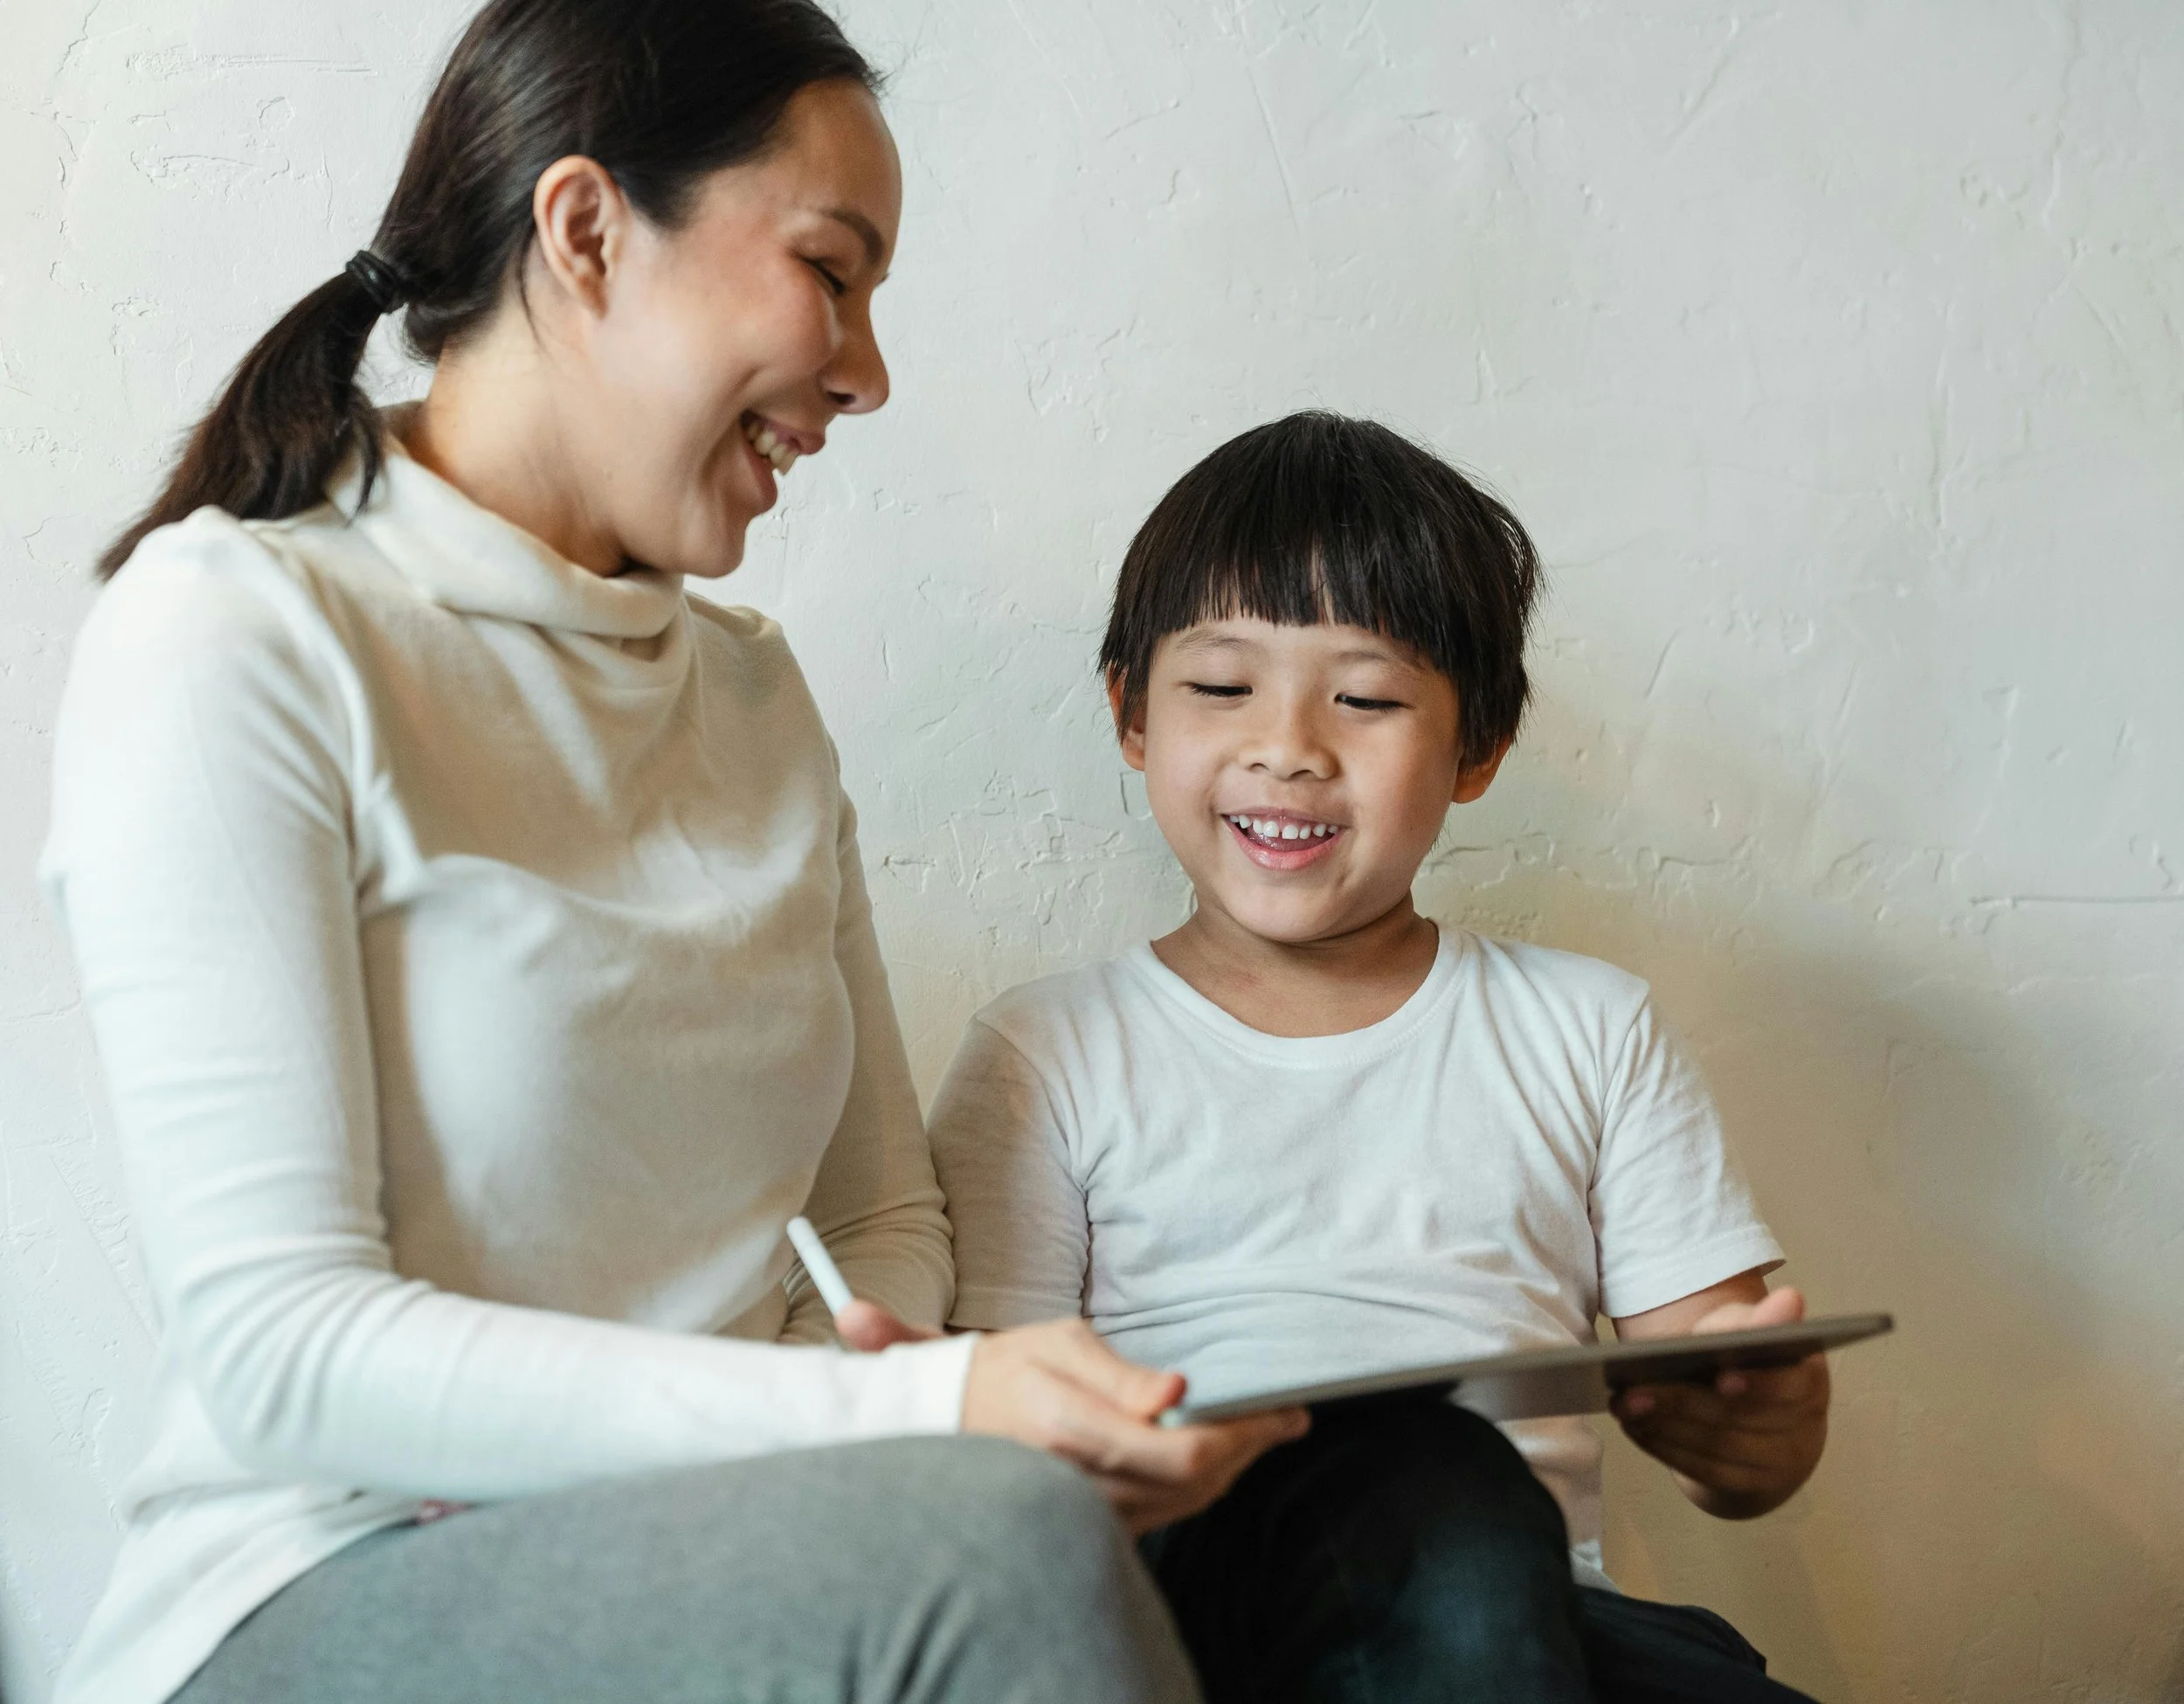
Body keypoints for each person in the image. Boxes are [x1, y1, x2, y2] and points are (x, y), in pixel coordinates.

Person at [42, 6, 1303, 1702]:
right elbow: (281, 1352)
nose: (863, 370)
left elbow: (876, 1211)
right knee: (989, 1544)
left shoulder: (754, 699)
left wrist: (885, 1394)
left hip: (747, 1539)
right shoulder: (234, 635)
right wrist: (905, 1412)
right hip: (320, 1586)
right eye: (829, 273)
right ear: (583, 233)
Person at [925, 412, 1834, 1702]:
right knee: (1429, 1467)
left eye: (1365, 698)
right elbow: (998, 1460)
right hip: (1195, 1611)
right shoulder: (1046, 1047)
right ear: (1131, 712)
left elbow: (1733, 1424)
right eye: (1223, 686)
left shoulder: (1588, 1028)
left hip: (1534, 1615)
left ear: (1478, 748)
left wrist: (1762, 1429)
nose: (1290, 745)